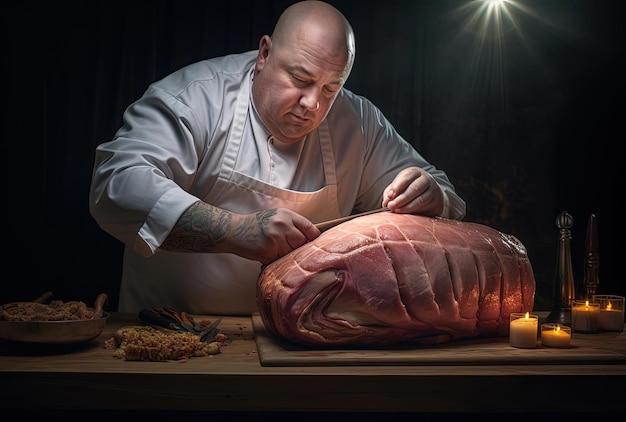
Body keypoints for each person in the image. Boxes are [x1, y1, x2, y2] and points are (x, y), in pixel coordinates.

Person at [89, 0, 466, 315]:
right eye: (300, 79)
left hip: (295, 344)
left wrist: (434, 194)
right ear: (265, 53)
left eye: (331, 88)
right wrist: (235, 231)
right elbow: (115, 185)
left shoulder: (358, 121)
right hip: (167, 334)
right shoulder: (194, 99)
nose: (313, 104)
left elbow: (445, 193)